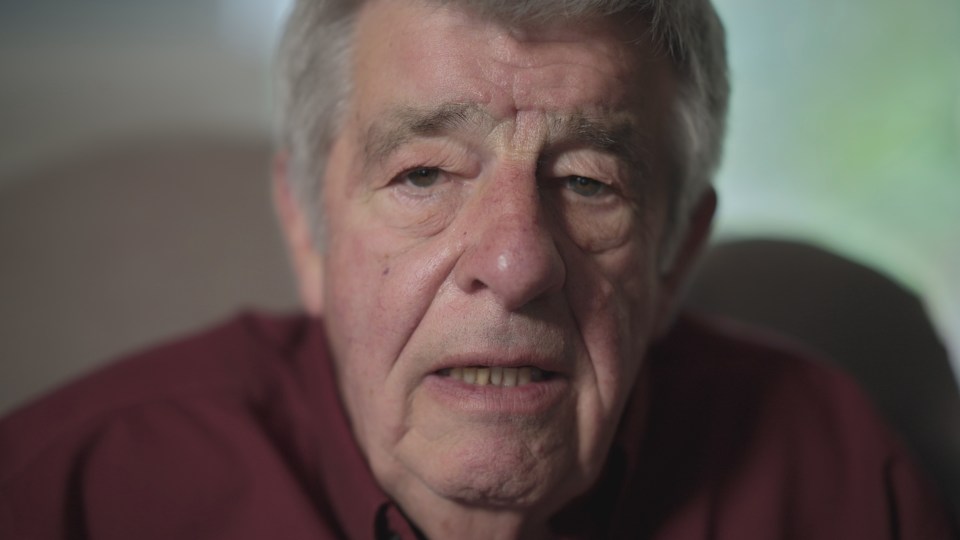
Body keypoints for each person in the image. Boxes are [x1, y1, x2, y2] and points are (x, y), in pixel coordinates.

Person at [0, 0, 954, 538]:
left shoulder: (836, 483)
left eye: (588, 181)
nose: (515, 262)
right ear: (306, 226)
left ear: (677, 255)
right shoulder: (70, 495)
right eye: (423, 174)